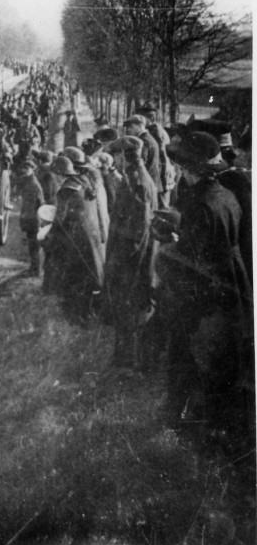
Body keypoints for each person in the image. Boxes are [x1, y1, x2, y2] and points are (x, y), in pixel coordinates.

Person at [156, 132, 252, 436]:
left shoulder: (199, 205)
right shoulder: (226, 194)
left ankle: (187, 422)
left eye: (183, 167)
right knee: (224, 358)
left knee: (189, 354)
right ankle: (216, 422)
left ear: (190, 169)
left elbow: (191, 261)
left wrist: (169, 245)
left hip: (204, 294)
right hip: (230, 281)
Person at [104, 136, 158, 370]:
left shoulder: (137, 182)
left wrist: (119, 260)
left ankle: (129, 359)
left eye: (116, 156)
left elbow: (139, 229)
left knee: (128, 305)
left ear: (123, 157)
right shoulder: (133, 178)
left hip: (131, 259)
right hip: (130, 255)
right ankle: (124, 355)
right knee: (126, 306)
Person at [44, 156, 105, 322]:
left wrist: (49, 235)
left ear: (58, 174)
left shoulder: (66, 190)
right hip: (91, 236)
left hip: (76, 240)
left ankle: (77, 315)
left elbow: (60, 218)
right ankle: (87, 312)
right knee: (88, 275)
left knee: (74, 276)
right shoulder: (84, 181)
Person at [13, 159, 44, 276]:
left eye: (27, 168)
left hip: (34, 219)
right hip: (29, 217)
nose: (24, 170)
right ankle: (34, 268)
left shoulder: (34, 185)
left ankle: (36, 270)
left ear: (32, 170)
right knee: (32, 245)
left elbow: (41, 203)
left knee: (35, 246)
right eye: (23, 168)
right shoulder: (27, 181)